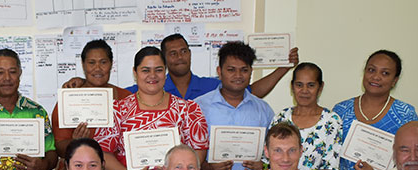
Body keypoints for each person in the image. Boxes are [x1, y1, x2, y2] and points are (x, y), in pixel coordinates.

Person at [94, 47, 209, 170]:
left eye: (159, 70)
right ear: (135, 72)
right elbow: (104, 153)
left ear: (165, 72)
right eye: (146, 70)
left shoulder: (187, 109)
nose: (153, 76)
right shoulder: (118, 110)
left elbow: (199, 150)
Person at [196, 41, 275, 170]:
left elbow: (274, 149)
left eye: (244, 70)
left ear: (251, 71)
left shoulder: (263, 110)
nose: (238, 76)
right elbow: (186, 151)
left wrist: (264, 166)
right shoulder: (199, 107)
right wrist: (207, 166)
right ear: (219, 71)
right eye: (231, 70)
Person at [125, 34, 298, 101]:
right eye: (173, 53)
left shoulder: (210, 86)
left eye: (184, 51)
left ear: (190, 53)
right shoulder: (151, 88)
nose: (179, 57)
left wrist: (283, 68)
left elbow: (251, 91)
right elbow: (115, 96)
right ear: (164, 60)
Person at [50, 40, 133, 159]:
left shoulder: (125, 98)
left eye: (103, 62)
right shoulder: (69, 99)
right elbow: (59, 148)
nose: (97, 68)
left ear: (111, 64)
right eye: (91, 63)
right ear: (83, 65)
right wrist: (75, 142)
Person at [269, 62, 343, 170]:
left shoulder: (331, 121)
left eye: (311, 85)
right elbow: (270, 157)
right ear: (292, 87)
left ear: (320, 87)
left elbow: (329, 165)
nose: (304, 91)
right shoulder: (281, 118)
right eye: (299, 85)